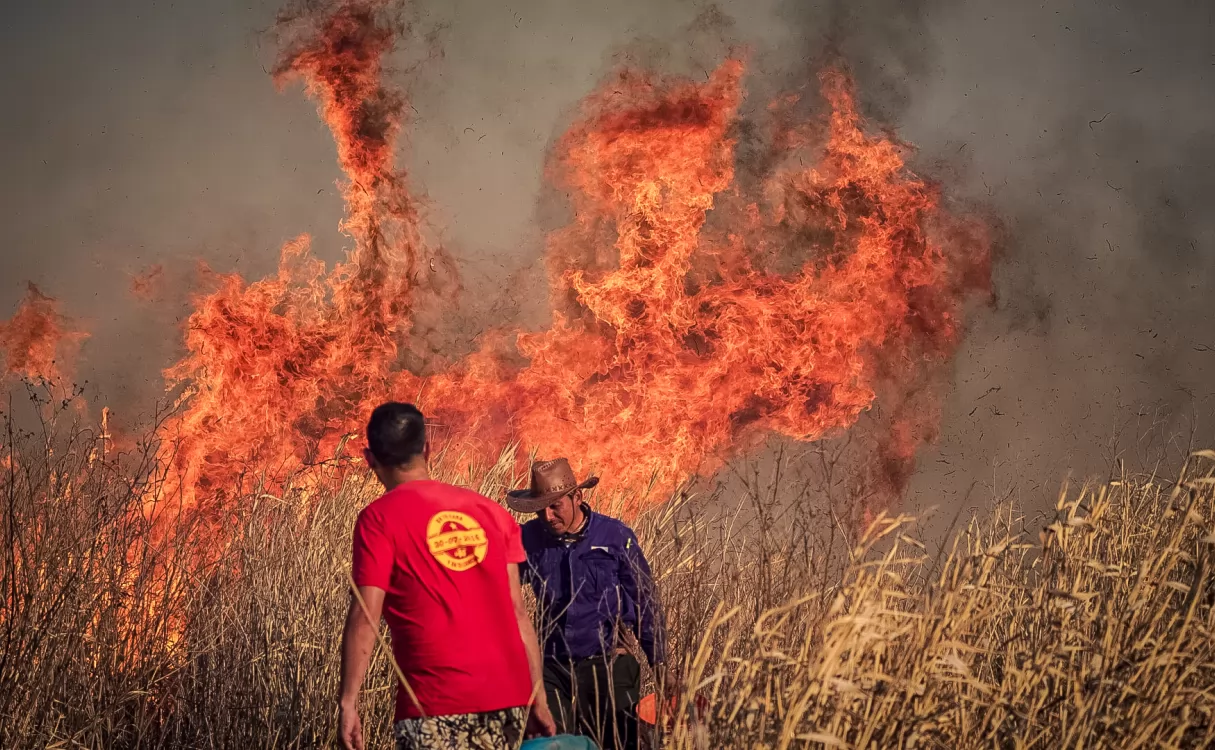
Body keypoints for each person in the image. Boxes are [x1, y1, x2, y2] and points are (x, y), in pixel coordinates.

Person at [338, 402, 556, 750]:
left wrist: (348, 700)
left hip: (435, 704)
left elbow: (366, 614)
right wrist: (537, 697)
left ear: (370, 459)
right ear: (427, 448)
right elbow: (518, 613)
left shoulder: (377, 519)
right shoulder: (491, 512)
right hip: (508, 699)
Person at [507, 458, 669, 750]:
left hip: (607, 660)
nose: (547, 515)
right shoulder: (528, 539)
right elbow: (499, 588)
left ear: (577, 497)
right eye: (541, 508)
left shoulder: (614, 536)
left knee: (617, 740)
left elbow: (645, 600)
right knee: (549, 742)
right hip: (552, 665)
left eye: (555, 505)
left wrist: (659, 662)